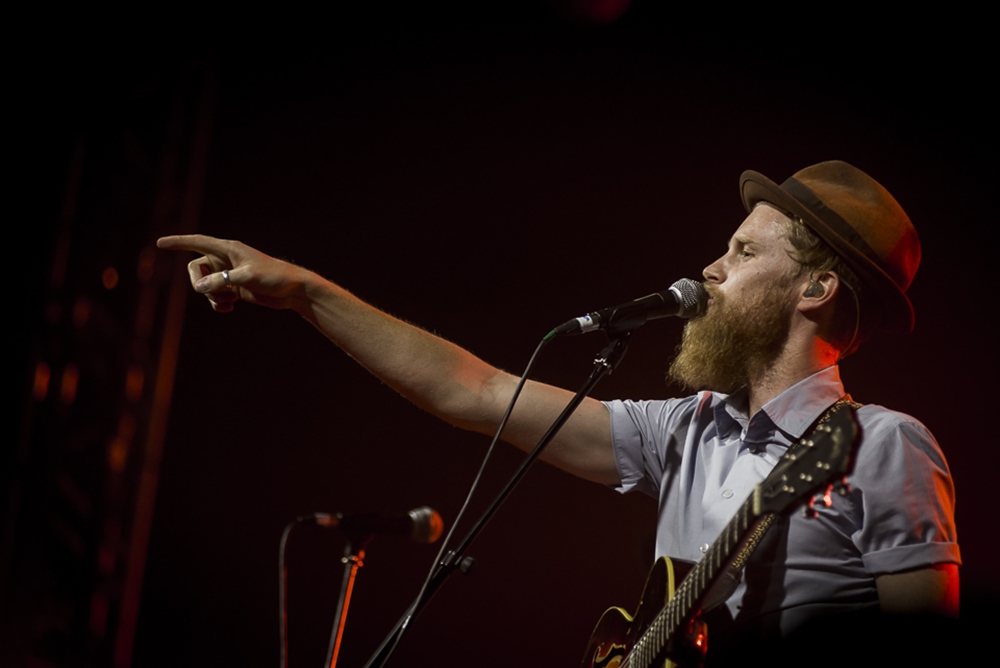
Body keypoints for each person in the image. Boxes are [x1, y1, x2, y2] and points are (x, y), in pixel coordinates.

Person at [158, 160, 959, 662]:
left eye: (744, 252)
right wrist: (305, 292)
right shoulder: (684, 430)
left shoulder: (885, 446)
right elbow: (473, 391)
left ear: (817, 288)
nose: (711, 269)